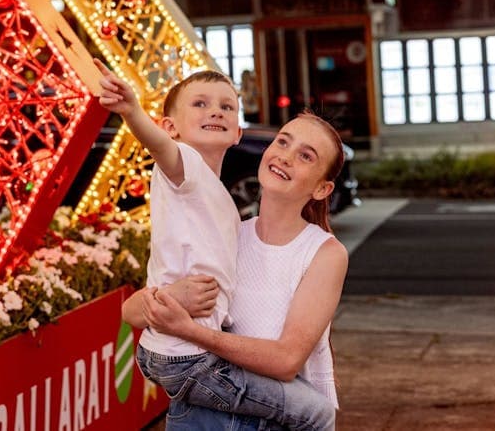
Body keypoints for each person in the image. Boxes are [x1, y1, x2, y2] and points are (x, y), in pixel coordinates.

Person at [95, 61, 335, 430]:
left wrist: (190, 327)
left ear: (238, 132)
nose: (215, 112)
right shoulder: (188, 170)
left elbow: (287, 361)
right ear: (170, 127)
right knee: (316, 414)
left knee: (315, 411)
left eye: (226, 107)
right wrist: (132, 111)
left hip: (189, 362)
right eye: (283, 142)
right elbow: (130, 313)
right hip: (189, 368)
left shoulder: (228, 216)